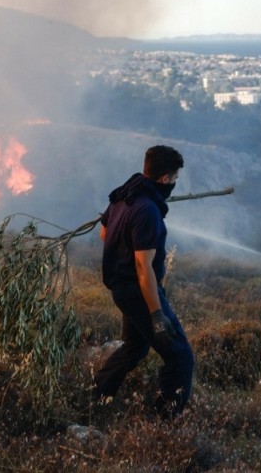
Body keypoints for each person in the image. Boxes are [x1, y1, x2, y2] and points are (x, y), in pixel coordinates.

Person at [94, 145, 195, 417]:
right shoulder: (148, 211)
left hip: (122, 290)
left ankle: (98, 396)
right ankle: (164, 423)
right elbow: (144, 268)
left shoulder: (122, 195)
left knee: (135, 347)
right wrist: (157, 315)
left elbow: (105, 235)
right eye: (174, 179)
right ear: (164, 179)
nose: (174, 184)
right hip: (140, 293)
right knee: (180, 356)